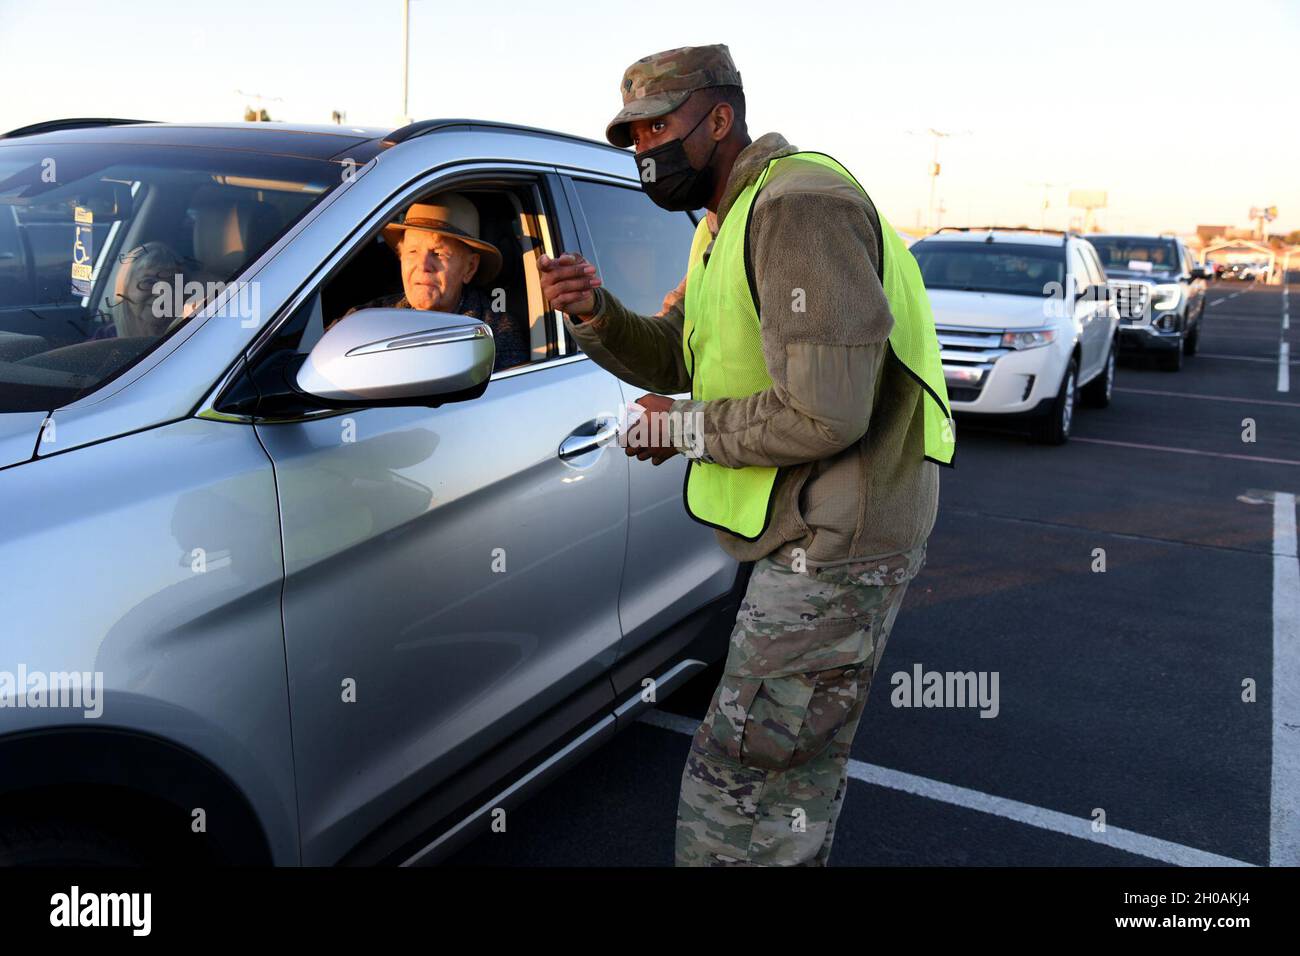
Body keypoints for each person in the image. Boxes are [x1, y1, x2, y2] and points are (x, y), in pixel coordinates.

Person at [538, 43, 955, 866]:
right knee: (786, 776)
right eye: (633, 135)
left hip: (838, 544)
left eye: (659, 127)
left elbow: (825, 412)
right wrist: (594, 314)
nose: (644, 150)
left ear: (719, 118)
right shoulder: (724, 219)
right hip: (797, 531)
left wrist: (680, 430)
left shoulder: (798, 207)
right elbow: (679, 356)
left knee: (745, 784)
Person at [346, 192, 529, 371]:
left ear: (470, 267)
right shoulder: (365, 320)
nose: (423, 265)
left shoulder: (497, 335)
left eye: (438, 253)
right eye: (412, 252)